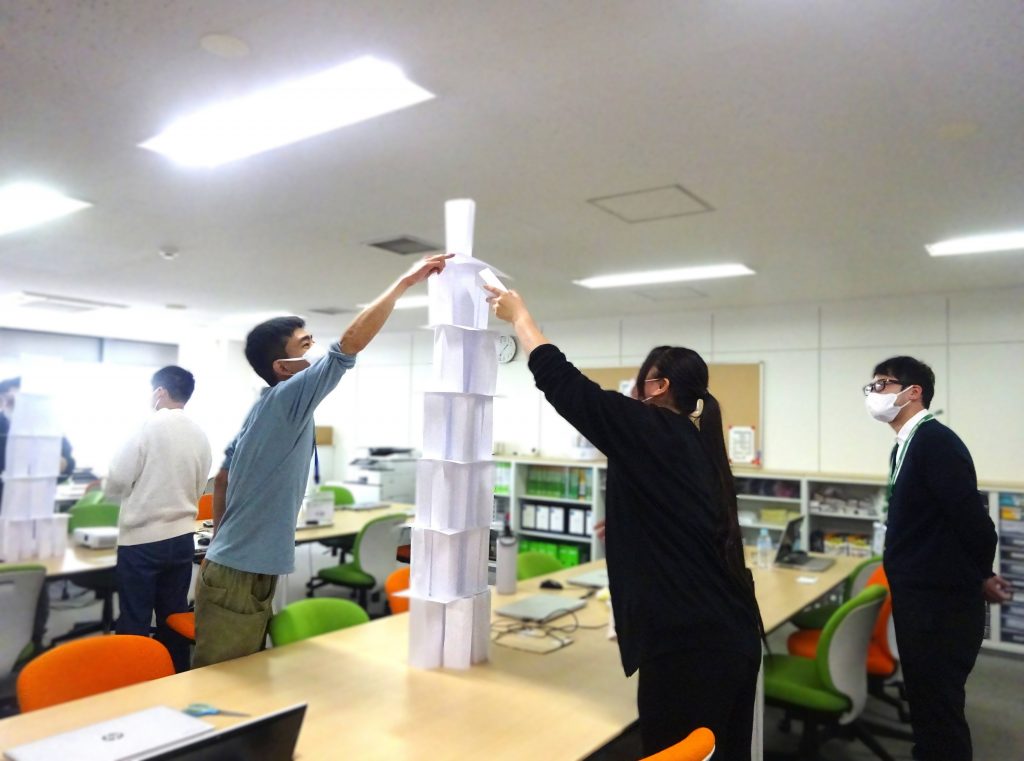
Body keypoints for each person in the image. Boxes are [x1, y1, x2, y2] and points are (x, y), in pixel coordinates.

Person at [486, 286, 763, 760]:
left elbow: (566, 385)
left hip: (688, 647)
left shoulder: (649, 427)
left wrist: (521, 319)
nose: (633, 393)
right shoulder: (696, 442)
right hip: (730, 635)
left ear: (658, 387)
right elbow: (686, 520)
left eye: (640, 383)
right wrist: (631, 528)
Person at [193, 252, 452, 668]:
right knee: (224, 677)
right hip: (238, 570)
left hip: (237, 563)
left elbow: (222, 478)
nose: (313, 352)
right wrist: (405, 281)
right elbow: (347, 347)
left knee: (247, 670)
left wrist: (219, 540)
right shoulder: (287, 397)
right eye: (305, 345)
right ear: (283, 367)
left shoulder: (264, 406)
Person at [865, 356, 1012, 761]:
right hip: (921, 600)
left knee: (939, 718)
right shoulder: (906, 445)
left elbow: (975, 524)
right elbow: (937, 524)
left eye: (882, 385)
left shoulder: (935, 443)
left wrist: (980, 574)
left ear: (913, 392)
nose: (873, 394)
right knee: (927, 712)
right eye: (871, 387)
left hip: (939, 609)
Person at [105, 366, 211, 672]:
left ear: (160, 392)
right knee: (173, 617)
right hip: (182, 538)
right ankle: (175, 676)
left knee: (135, 617)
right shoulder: (200, 434)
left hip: (142, 540)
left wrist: (117, 496)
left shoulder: (146, 426)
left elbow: (117, 478)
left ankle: (134, 679)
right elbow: (200, 485)